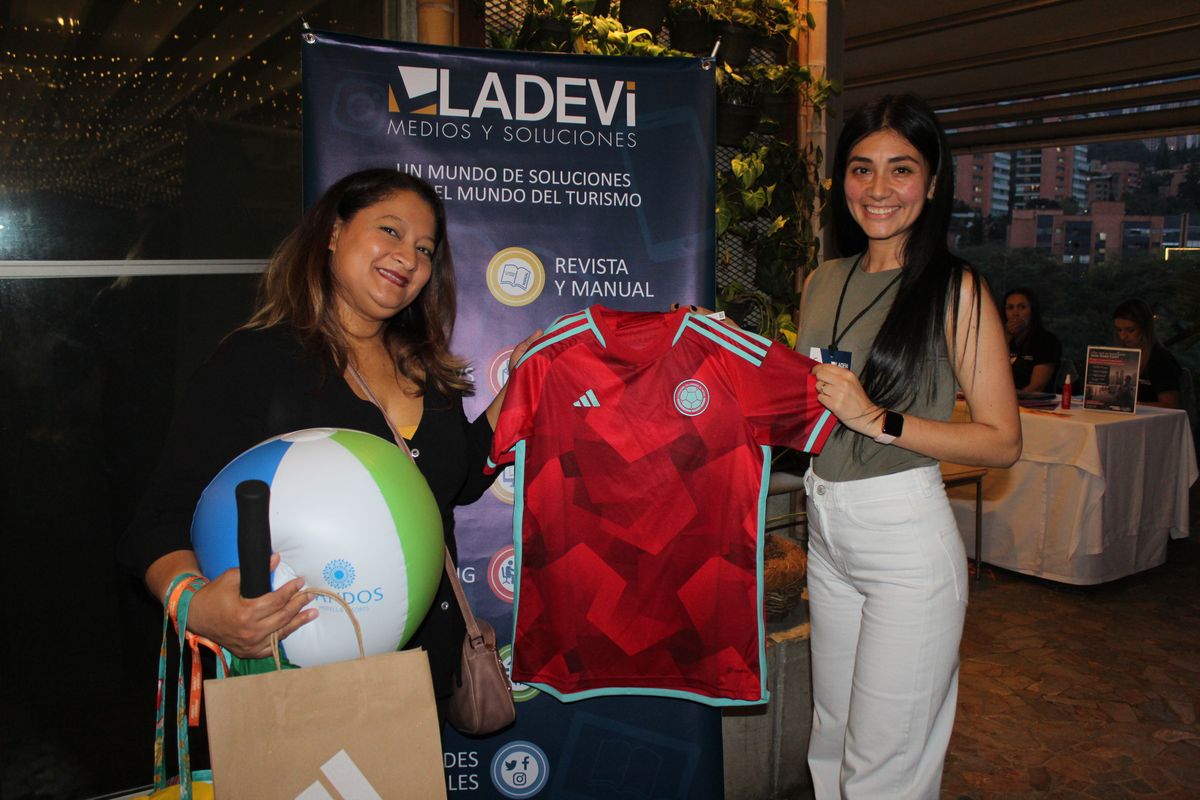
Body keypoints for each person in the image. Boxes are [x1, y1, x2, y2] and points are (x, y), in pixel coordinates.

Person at [118, 168, 536, 716]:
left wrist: (528, 378)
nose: (409, 257)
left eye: (425, 248)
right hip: (300, 689)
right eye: (389, 230)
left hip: (419, 679)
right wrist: (195, 605)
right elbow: (158, 519)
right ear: (334, 233)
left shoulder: (425, 370)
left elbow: (450, 483)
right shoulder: (255, 364)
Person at [795, 94, 1021, 799]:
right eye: (862, 170)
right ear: (842, 181)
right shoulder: (820, 279)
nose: (879, 190)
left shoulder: (955, 290)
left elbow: (1002, 441)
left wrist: (878, 418)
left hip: (903, 540)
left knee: (884, 763)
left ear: (932, 180)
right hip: (825, 525)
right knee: (830, 737)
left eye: (901, 170)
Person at [1112, 298, 1181, 409]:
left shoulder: (1160, 359)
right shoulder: (1120, 356)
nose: (1122, 336)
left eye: (1130, 330)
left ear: (1145, 329)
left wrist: (1134, 406)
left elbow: (1171, 405)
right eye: (1119, 330)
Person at [1003, 287, 1061, 393]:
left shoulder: (1046, 341)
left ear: (1032, 311)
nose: (1015, 313)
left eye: (1022, 307)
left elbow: (1036, 388)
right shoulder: (1001, 338)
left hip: (1032, 404)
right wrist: (1006, 336)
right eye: (1010, 308)